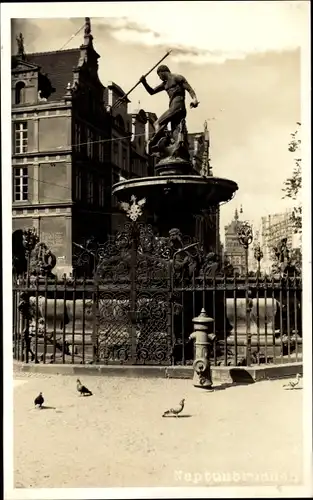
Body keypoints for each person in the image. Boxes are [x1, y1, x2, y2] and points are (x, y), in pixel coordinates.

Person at [140, 65, 199, 137]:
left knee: (157, 123)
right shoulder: (165, 84)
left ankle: (158, 142)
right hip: (176, 108)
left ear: (162, 72)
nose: (160, 78)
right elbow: (151, 92)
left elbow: (189, 89)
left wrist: (194, 99)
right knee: (175, 134)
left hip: (177, 106)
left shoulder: (177, 77)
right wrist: (144, 82)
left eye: (159, 75)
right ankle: (172, 143)